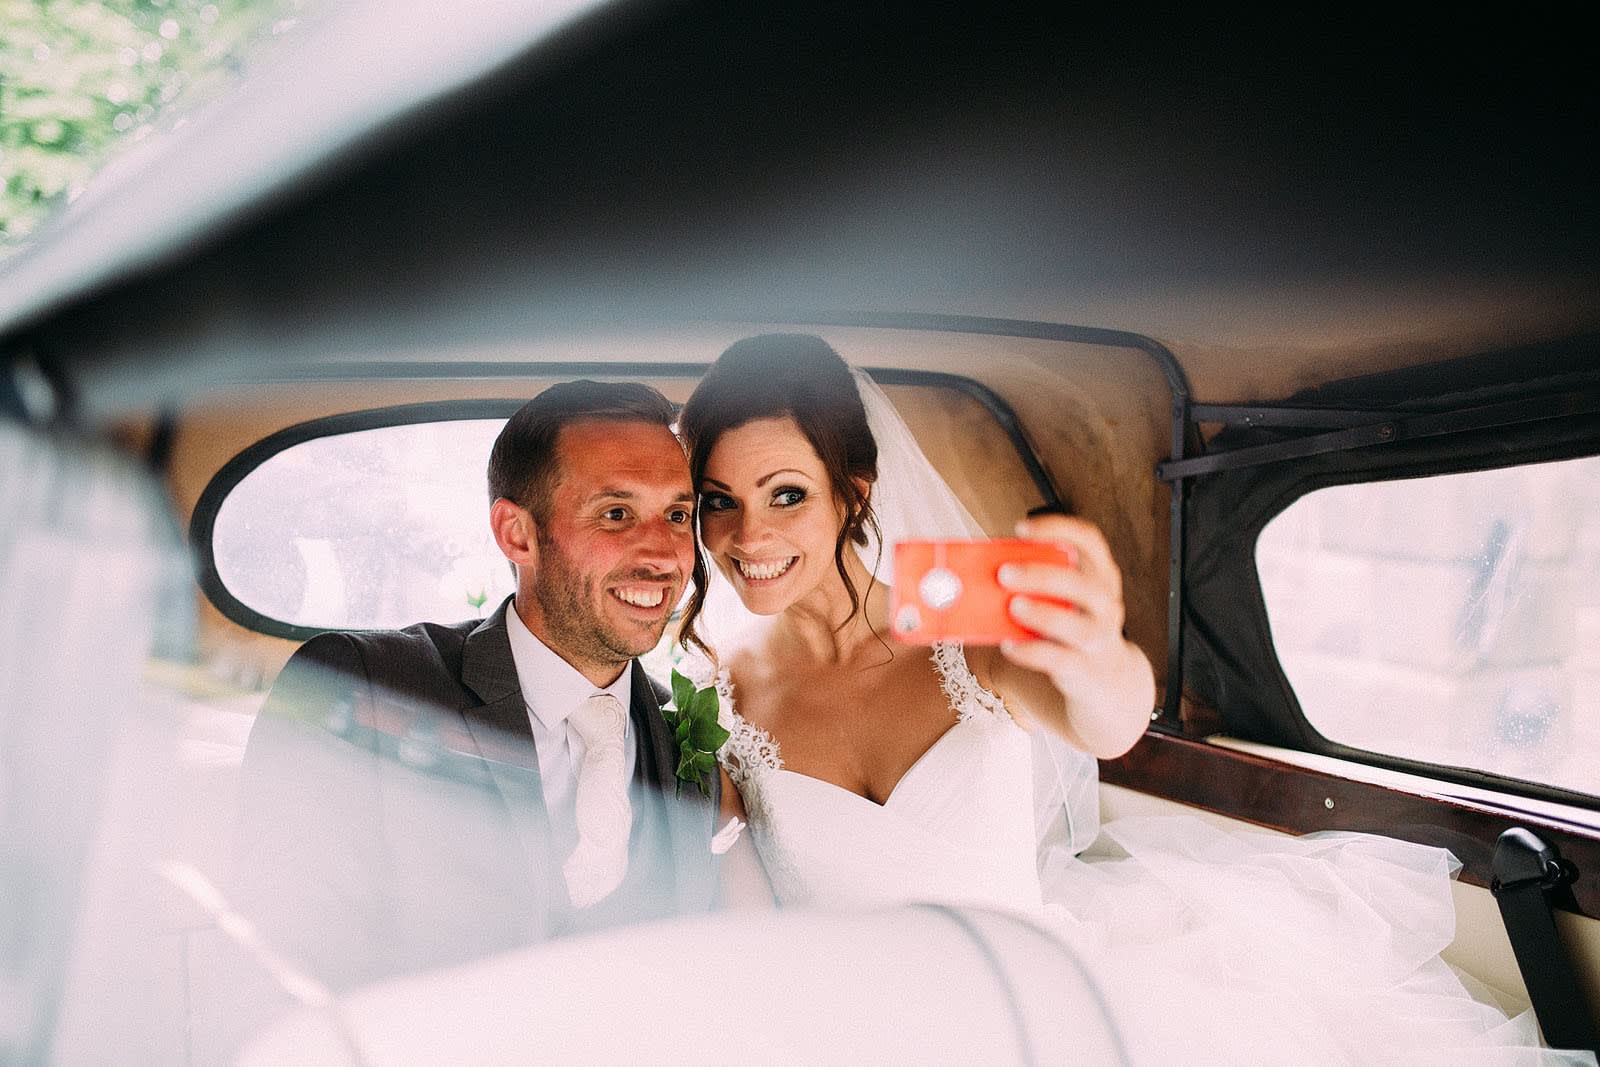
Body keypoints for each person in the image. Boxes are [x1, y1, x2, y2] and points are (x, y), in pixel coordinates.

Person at [671, 334, 1587, 1062]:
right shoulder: (716, 696)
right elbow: (748, 922)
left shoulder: (971, 639)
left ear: (853, 492)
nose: (748, 536)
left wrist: (1097, 650)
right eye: (717, 501)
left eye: (786, 494)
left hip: (1041, 1014)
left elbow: (1106, 724)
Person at [229, 381, 721, 1016]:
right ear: (517, 534)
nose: (663, 554)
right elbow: (284, 980)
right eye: (616, 514)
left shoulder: (689, 740)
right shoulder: (357, 685)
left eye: (678, 516)